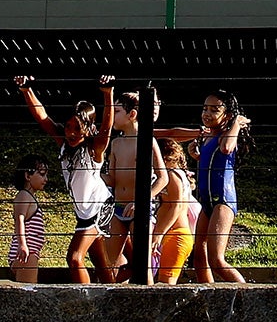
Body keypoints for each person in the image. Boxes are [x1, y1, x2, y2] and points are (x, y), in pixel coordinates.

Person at [14, 74, 116, 283]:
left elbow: (106, 128)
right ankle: (113, 296)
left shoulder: (93, 150)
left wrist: (108, 95)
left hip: (99, 208)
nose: (71, 133)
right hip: (83, 212)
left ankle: (86, 300)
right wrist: (27, 91)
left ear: (88, 129)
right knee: (101, 265)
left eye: (77, 128)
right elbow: (43, 118)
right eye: (68, 127)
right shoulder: (63, 143)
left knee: (74, 258)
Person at [161, 89, 251, 283]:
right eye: (205, 109)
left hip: (223, 202)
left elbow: (226, 149)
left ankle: (249, 298)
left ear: (226, 115)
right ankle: (209, 296)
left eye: (214, 110)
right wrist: (198, 156)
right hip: (207, 203)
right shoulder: (208, 135)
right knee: (199, 256)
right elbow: (214, 163)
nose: (207, 114)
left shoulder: (228, 134)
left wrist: (235, 124)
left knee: (216, 260)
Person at [102, 90, 168, 281]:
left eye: (118, 111)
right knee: (110, 262)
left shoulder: (147, 141)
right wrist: (93, 174)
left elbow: (163, 178)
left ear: (132, 114)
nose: (113, 116)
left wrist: (142, 200)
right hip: (119, 207)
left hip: (139, 208)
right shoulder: (116, 143)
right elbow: (113, 179)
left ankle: (148, 301)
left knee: (143, 262)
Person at [152, 139, 199, 285]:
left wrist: (158, 235)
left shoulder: (172, 175)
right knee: (161, 284)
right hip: (173, 234)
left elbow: (176, 206)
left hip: (176, 235)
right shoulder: (177, 174)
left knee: (166, 285)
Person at [10, 157, 50, 284]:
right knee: (28, 291)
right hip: (26, 252)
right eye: (42, 174)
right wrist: (23, 245)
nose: (46, 179)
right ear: (28, 175)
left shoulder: (29, 196)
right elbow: (19, 220)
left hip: (31, 251)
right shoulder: (24, 195)